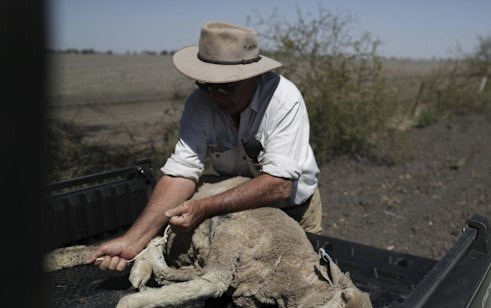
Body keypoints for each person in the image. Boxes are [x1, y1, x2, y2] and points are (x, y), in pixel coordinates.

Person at [88, 21, 321, 271]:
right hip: (241, 212)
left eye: (225, 87)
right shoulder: (199, 104)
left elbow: (279, 185)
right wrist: (133, 240)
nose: (214, 95)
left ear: (253, 77)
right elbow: (181, 173)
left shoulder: (283, 99)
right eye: (205, 84)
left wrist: (204, 207)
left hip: (294, 210)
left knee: (303, 279)